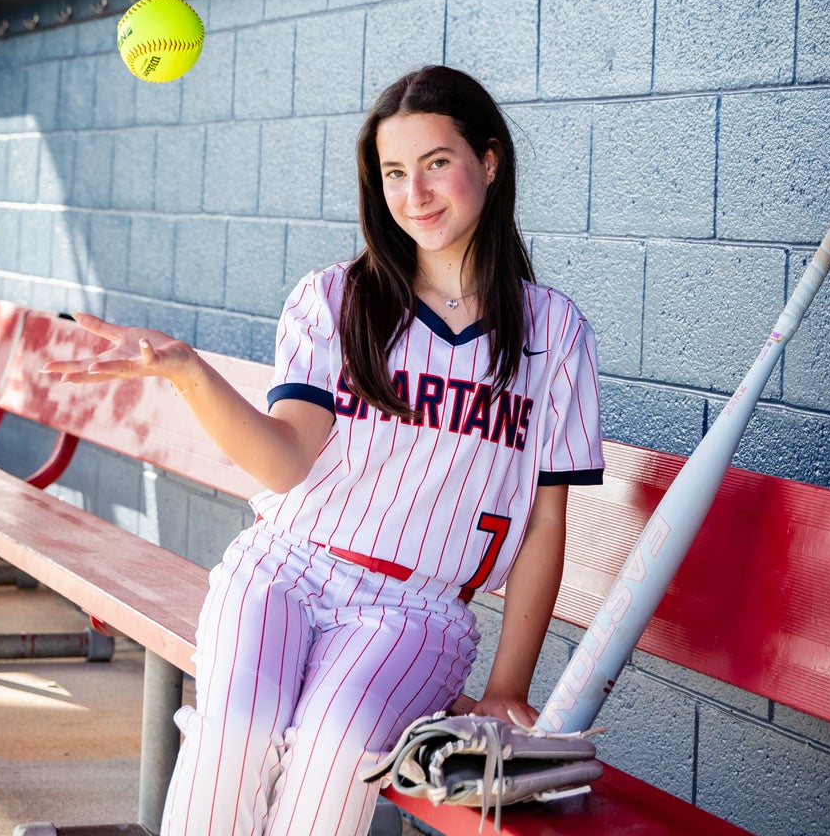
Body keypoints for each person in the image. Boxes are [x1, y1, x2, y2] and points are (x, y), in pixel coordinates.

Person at [44, 65, 604, 836]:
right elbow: (282, 463)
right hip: (285, 568)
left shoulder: (552, 331)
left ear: (490, 161)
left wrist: (509, 683)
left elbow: (545, 521)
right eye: (395, 172)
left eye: (438, 163)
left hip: (414, 612)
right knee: (230, 745)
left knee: (332, 759)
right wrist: (186, 371)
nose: (417, 193)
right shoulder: (335, 299)